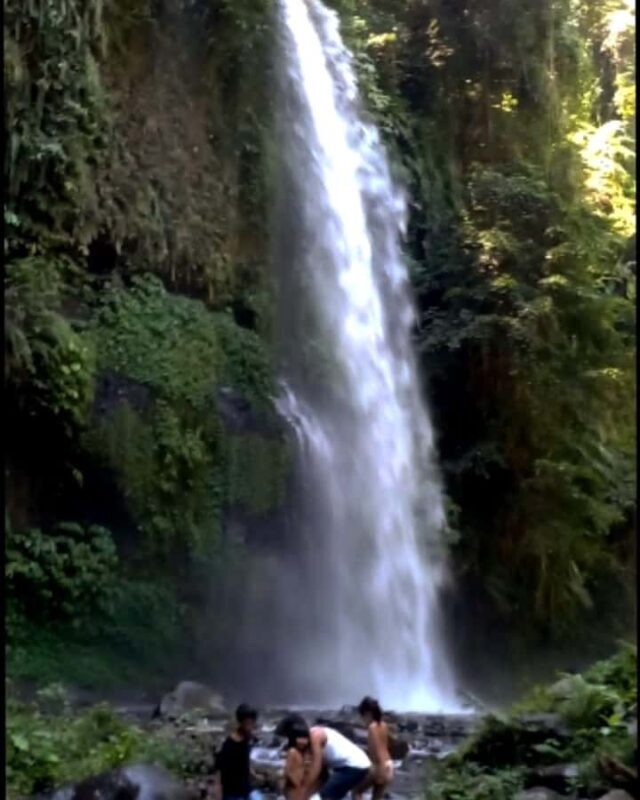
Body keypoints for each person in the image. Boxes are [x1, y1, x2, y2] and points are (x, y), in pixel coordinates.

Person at [276, 714, 370, 800]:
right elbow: (322, 770)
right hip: (346, 766)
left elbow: (317, 766)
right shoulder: (307, 739)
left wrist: (305, 788)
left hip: (354, 766)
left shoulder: (315, 736)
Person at [213, 704, 263, 800]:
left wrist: (254, 775)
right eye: (248, 723)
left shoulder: (246, 740)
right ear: (241, 722)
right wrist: (217, 791)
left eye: (252, 722)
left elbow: (244, 763)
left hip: (246, 788)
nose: (251, 726)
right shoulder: (229, 744)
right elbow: (219, 768)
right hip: (232, 791)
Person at [352, 697, 393, 800]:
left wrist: (379, 769)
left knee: (356, 791)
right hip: (390, 765)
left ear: (368, 714)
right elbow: (385, 746)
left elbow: (376, 751)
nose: (363, 721)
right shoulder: (384, 725)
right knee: (377, 797)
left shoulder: (372, 728)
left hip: (380, 766)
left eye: (363, 717)